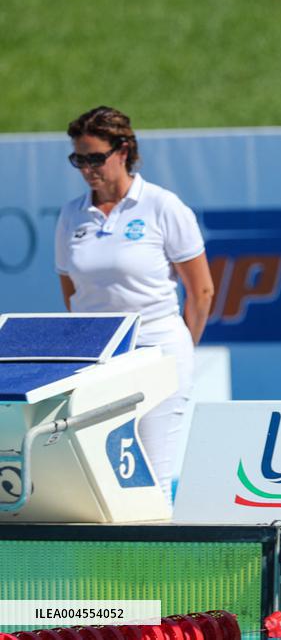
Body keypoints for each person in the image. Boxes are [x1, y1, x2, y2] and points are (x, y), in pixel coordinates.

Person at [54, 106, 214, 507]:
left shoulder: (162, 205)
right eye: (79, 160)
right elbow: (71, 292)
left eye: (95, 158)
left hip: (156, 347)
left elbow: (201, 291)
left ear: (123, 151)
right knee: (98, 474)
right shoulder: (71, 214)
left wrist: (179, 351)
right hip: (96, 356)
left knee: (154, 473)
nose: (87, 169)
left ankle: (158, 548)